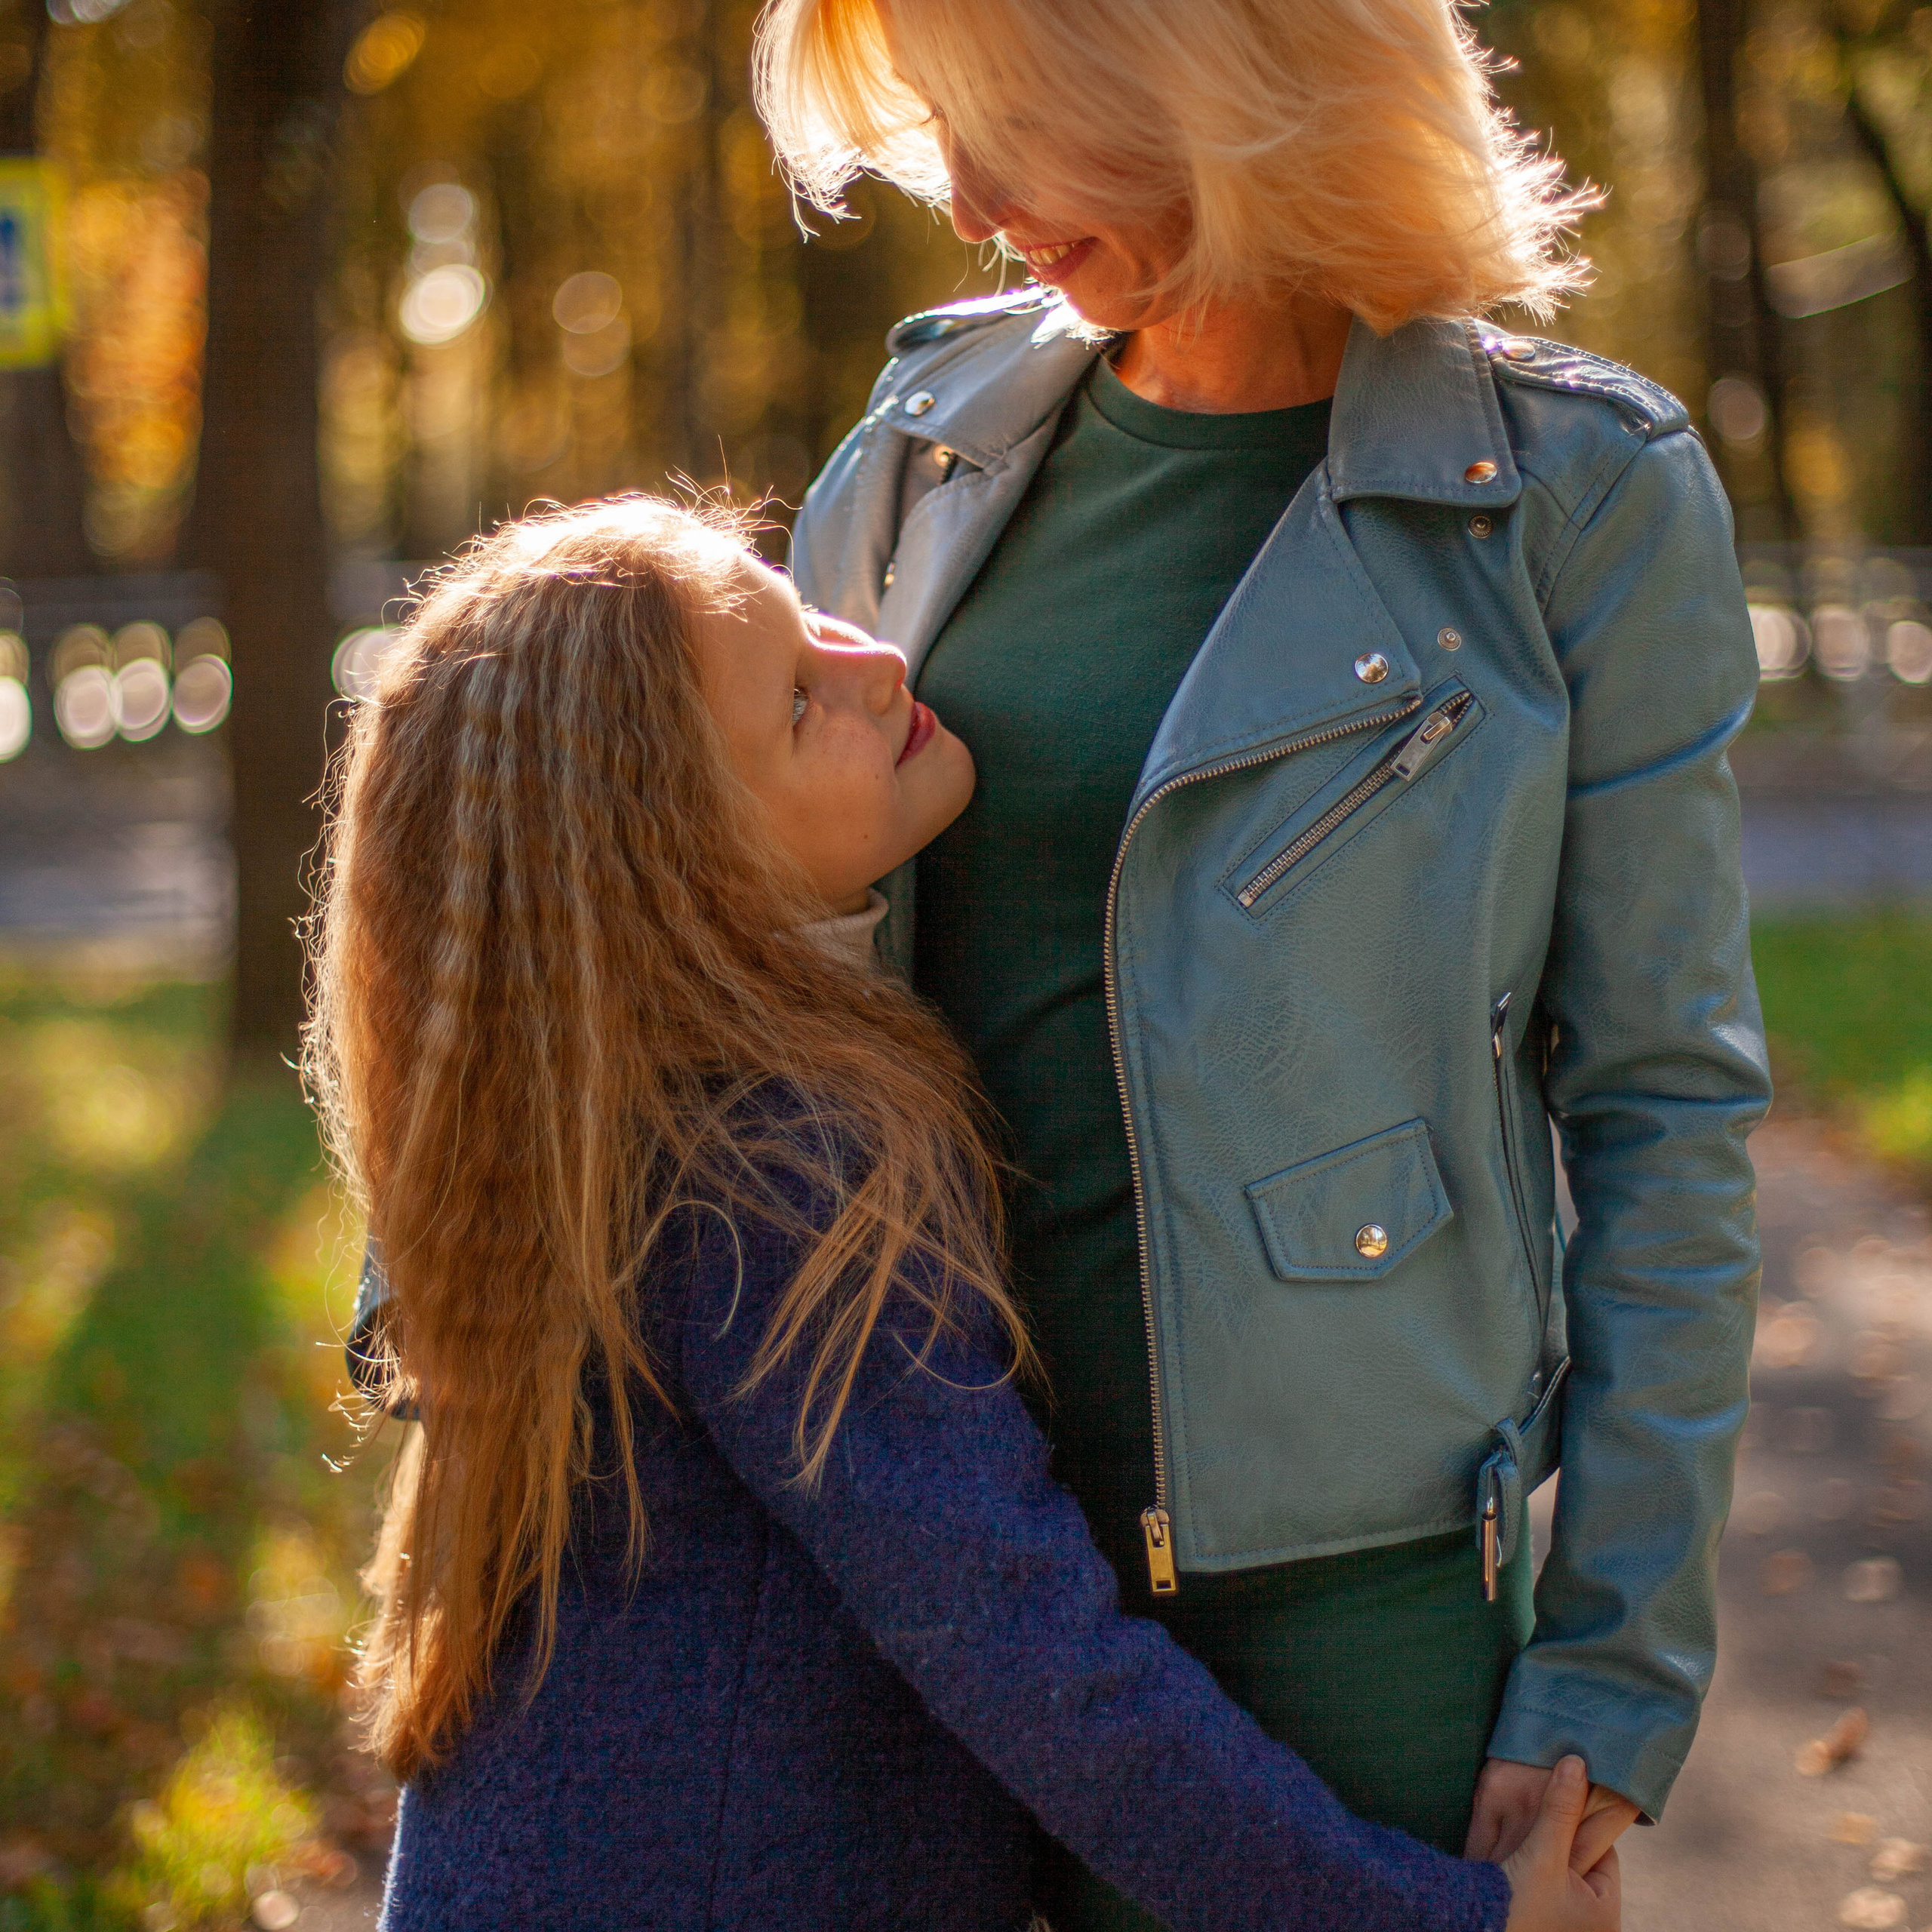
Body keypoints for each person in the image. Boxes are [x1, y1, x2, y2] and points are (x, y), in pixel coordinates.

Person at [761, 0, 1772, 1921]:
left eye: (1011, 128)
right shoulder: (915, 459)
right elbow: (732, 973)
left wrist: (1605, 1676)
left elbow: (1664, 1109)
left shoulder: (1573, 493)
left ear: (1203, 75)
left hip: (1360, 1634)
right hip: (937, 1569)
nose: (964, 201)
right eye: (938, 136)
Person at [309, 497, 1617, 1931]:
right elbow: (1035, 1664)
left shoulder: (548, 1125)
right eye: (803, 706)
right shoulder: (776, 1172)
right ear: (678, 869)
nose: (872, 662)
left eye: (804, 610)